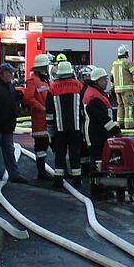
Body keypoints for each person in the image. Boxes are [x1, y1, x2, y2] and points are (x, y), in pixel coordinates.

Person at [45, 60, 84, 188]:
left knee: (60, 154)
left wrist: (50, 129)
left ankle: (58, 180)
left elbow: (49, 111)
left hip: (59, 128)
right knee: (75, 154)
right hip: (76, 127)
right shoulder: (79, 86)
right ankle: (77, 180)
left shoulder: (53, 87)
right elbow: (84, 108)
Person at [83, 66, 120, 178]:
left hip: (98, 133)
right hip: (96, 135)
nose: (106, 81)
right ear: (96, 81)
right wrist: (116, 131)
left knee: (100, 159)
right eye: (103, 79)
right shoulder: (94, 97)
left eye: (106, 78)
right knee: (97, 160)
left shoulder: (95, 93)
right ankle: (98, 185)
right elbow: (103, 118)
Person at [23, 54, 52, 181]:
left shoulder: (44, 80)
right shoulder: (33, 81)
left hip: (48, 119)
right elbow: (28, 98)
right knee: (40, 148)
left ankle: (44, 171)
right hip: (40, 120)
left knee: (46, 146)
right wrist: (41, 108)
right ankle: (41, 172)